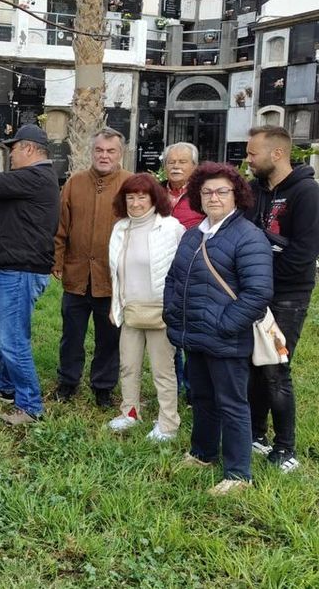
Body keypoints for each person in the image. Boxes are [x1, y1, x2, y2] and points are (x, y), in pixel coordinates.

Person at [164, 162, 273, 496]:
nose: (214, 197)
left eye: (221, 191)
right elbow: (175, 278)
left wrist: (225, 325)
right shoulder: (195, 233)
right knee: (202, 398)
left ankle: (238, 474)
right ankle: (202, 453)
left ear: (236, 195)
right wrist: (172, 314)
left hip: (226, 337)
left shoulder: (248, 237)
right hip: (194, 334)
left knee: (232, 403)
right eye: (207, 191)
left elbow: (258, 293)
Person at [245, 125, 319, 474]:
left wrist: (265, 263)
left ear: (277, 153)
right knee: (254, 365)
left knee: (276, 368)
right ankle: (255, 434)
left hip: (287, 297)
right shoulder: (254, 191)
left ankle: (286, 447)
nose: (247, 159)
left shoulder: (307, 194)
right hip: (255, 292)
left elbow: (304, 254)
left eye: (252, 153)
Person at [0, 125, 60, 425]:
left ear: (29, 149)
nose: (12, 156)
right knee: (2, 329)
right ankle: (5, 385)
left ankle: (30, 405)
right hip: (11, 267)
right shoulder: (33, 179)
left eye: (14, 150)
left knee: (13, 338)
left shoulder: (36, 176)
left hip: (21, 269)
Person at [52, 128, 131, 407]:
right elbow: (61, 225)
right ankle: (67, 382)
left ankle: (103, 387)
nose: (104, 156)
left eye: (110, 151)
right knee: (71, 335)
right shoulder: (75, 182)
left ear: (120, 154)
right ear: (92, 152)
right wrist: (58, 260)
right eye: (99, 150)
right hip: (77, 275)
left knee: (109, 338)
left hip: (112, 279)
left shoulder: (131, 184)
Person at [106, 173, 185, 441]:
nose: (136, 203)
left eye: (142, 196)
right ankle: (129, 412)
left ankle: (168, 423)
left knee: (163, 370)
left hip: (161, 310)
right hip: (130, 309)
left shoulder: (171, 227)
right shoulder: (120, 228)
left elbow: (183, 271)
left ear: (154, 198)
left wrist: (175, 306)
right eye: (130, 197)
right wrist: (115, 304)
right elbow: (116, 271)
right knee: (128, 365)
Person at [162, 142, 202, 399]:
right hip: (165, 275)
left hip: (195, 274)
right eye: (171, 162)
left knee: (193, 334)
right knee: (171, 333)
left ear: (194, 167)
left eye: (182, 162)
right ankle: (172, 387)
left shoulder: (203, 195)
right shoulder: (156, 194)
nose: (176, 166)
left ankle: (193, 389)